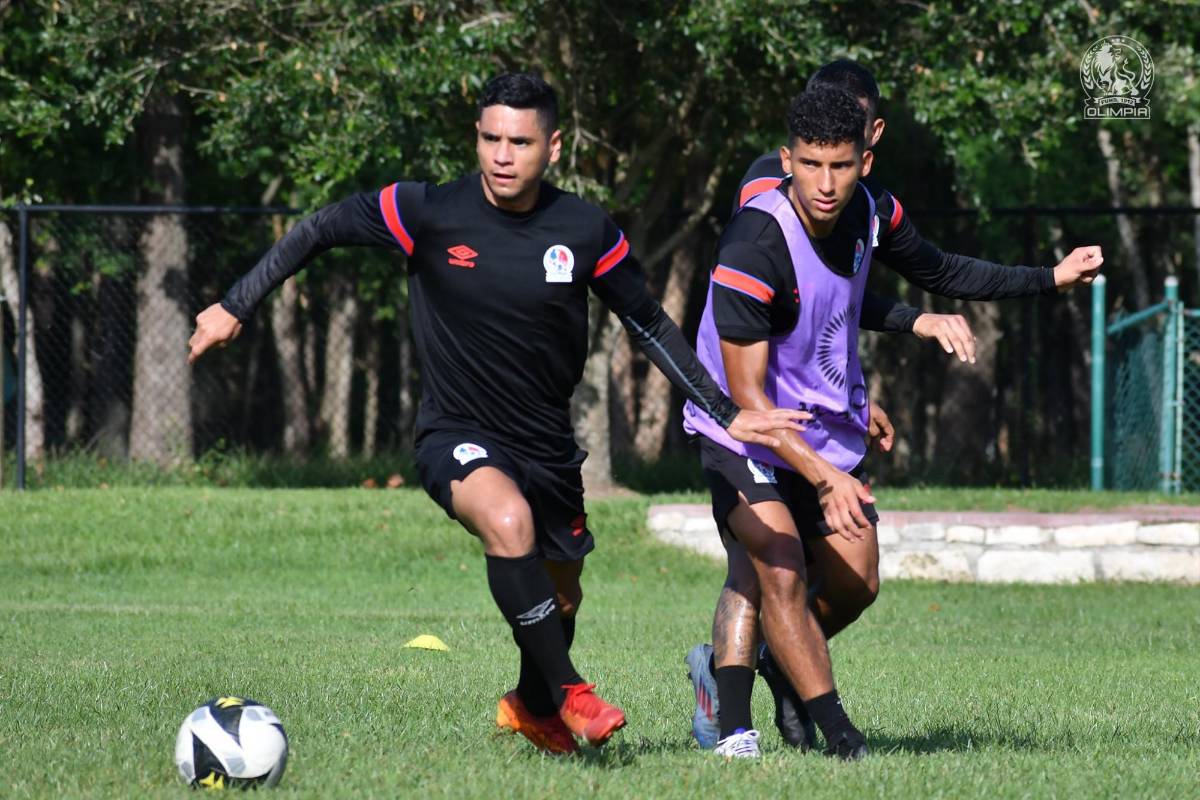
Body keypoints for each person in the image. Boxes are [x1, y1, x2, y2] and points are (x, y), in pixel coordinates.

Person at [186, 72, 807, 756]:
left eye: (520, 141)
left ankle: (534, 705)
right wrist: (235, 303)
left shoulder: (585, 228)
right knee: (507, 523)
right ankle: (573, 694)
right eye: (490, 139)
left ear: (554, 146)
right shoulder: (427, 211)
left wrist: (724, 411)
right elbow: (320, 228)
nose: (502, 156)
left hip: (548, 445)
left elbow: (649, 323)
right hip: (456, 432)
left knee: (560, 596)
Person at [683, 84, 1102, 760]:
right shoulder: (753, 242)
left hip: (818, 425)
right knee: (772, 567)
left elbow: (936, 271)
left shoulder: (871, 214)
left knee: (856, 581)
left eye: (841, 166)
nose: (826, 183)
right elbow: (748, 400)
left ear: (865, 160)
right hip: (741, 429)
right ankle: (771, 733)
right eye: (811, 165)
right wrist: (824, 479)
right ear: (786, 159)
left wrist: (1050, 276)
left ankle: (782, 666)